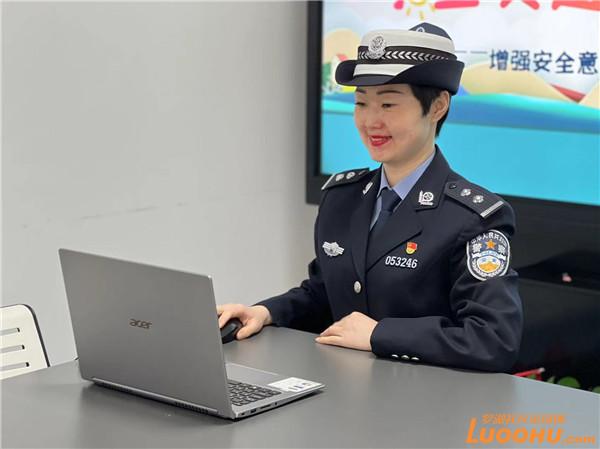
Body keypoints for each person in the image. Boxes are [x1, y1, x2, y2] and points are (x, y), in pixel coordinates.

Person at [217, 22, 523, 372]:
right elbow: (324, 292)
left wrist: (380, 334)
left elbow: (493, 338)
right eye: (361, 103)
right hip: (340, 389)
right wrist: (266, 312)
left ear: (438, 106)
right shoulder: (342, 198)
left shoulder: (472, 218)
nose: (370, 121)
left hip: (426, 397)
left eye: (388, 104)